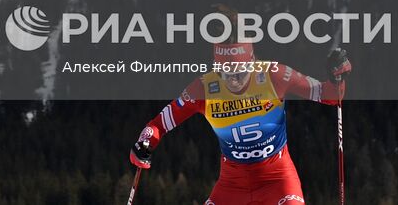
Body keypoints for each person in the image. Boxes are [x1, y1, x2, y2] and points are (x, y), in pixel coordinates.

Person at [129, 40, 351, 205]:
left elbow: (329, 95)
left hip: (277, 179)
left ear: (252, 64)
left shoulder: (275, 75)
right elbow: (158, 125)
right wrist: (144, 144)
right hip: (232, 184)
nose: (234, 80)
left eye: (241, 72)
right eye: (226, 74)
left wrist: (336, 77)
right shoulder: (203, 89)